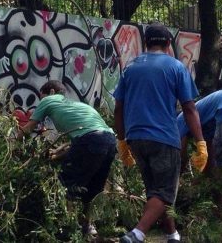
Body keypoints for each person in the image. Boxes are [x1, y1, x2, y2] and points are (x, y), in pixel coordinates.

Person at [114, 22, 207, 243]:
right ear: (168, 44)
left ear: (145, 43)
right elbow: (189, 108)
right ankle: (137, 233)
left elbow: (119, 108)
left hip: (136, 139)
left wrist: (122, 141)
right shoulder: (175, 67)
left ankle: (172, 235)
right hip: (164, 138)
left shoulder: (130, 68)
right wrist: (201, 142)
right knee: (164, 193)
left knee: (156, 192)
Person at [17, 80, 116, 236]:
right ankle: (87, 227)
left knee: (67, 184)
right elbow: (80, 146)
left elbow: (29, 128)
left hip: (90, 140)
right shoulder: (79, 106)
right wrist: (56, 155)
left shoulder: (48, 100)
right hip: (109, 141)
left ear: (50, 92)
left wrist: (13, 142)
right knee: (92, 188)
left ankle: (67, 228)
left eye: (41, 96)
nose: (41, 101)